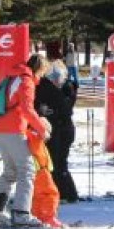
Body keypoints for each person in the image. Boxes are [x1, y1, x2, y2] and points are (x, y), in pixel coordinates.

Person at [0, 54, 52, 227]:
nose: (42, 77)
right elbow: (27, 109)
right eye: (43, 73)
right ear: (39, 69)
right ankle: (21, 214)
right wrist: (42, 129)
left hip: (1, 128)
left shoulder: (13, 76)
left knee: (11, 172)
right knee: (27, 170)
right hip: (14, 129)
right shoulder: (26, 80)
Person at [34, 60, 79, 203]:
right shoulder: (48, 87)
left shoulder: (66, 88)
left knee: (58, 162)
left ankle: (65, 193)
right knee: (55, 162)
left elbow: (65, 108)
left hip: (62, 129)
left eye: (59, 79)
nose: (57, 82)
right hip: (57, 128)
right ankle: (64, 193)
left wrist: (46, 111)